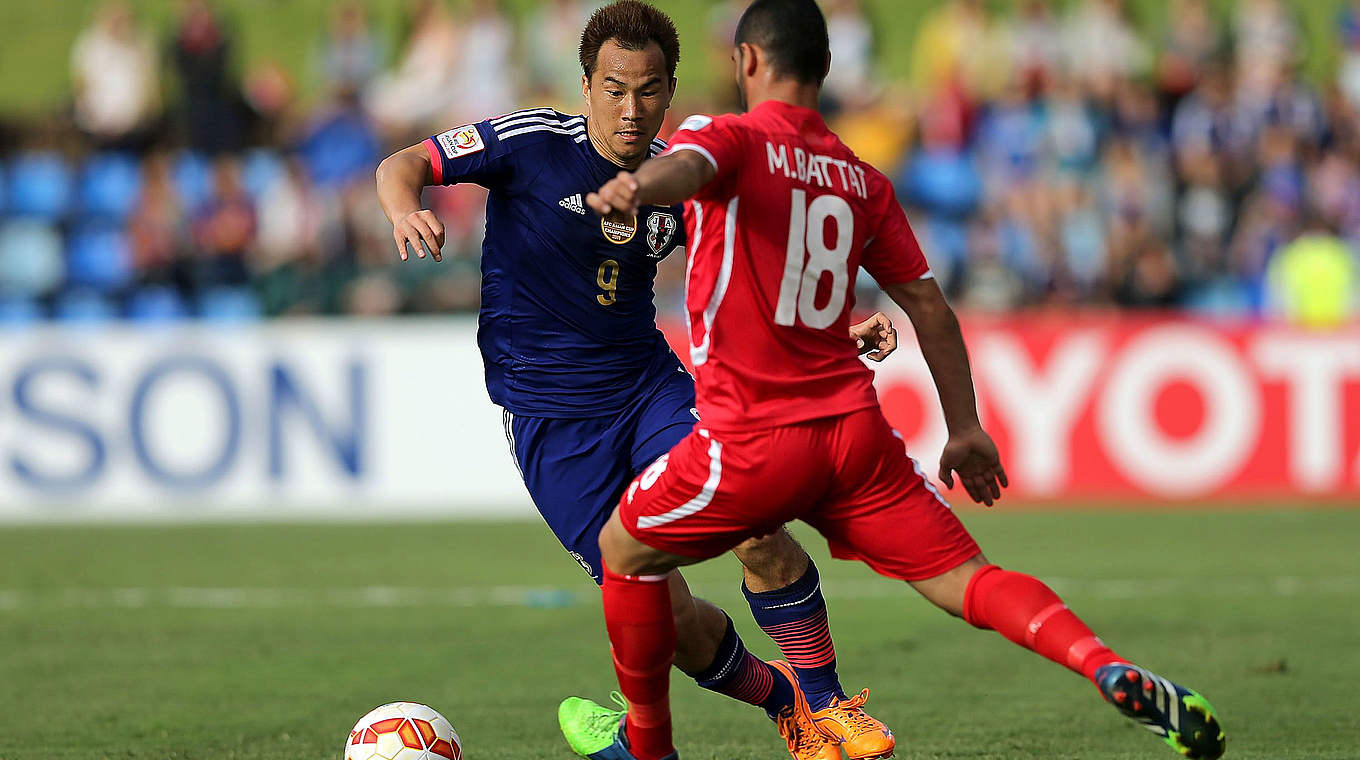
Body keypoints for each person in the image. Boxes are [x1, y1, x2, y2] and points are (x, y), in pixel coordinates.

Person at [580, 2, 1229, 759]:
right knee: (970, 580)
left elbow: (692, 168)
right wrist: (965, 428)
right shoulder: (861, 179)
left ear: (748, 60)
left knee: (624, 551)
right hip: (856, 436)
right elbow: (928, 305)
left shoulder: (726, 136)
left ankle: (649, 747)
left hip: (755, 437)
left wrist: (644, 183)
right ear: (821, 71)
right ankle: (1104, 663)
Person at [373, 4, 896, 760]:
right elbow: (404, 164)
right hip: (551, 420)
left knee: (754, 520)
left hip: (650, 390)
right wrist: (402, 209)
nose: (631, 109)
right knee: (667, 616)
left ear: (669, 89)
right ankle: (784, 702)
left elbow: (761, 268)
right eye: (614, 88)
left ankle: (829, 707)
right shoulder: (529, 144)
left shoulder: (680, 175)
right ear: (584, 85)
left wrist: (839, 323)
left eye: (649, 90)